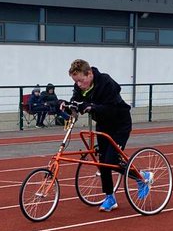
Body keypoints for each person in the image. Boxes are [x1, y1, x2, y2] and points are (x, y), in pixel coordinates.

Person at [63, 58, 151, 211]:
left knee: (111, 160)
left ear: (89, 74)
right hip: (103, 125)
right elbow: (76, 102)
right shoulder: (80, 87)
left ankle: (142, 177)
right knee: (102, 162)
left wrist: (91, 107)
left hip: (120, 124)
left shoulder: (106, 82)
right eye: (76, 81)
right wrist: (67, 106)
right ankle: (110, 197)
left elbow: (110, 108)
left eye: (80, 81)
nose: (78, 85)